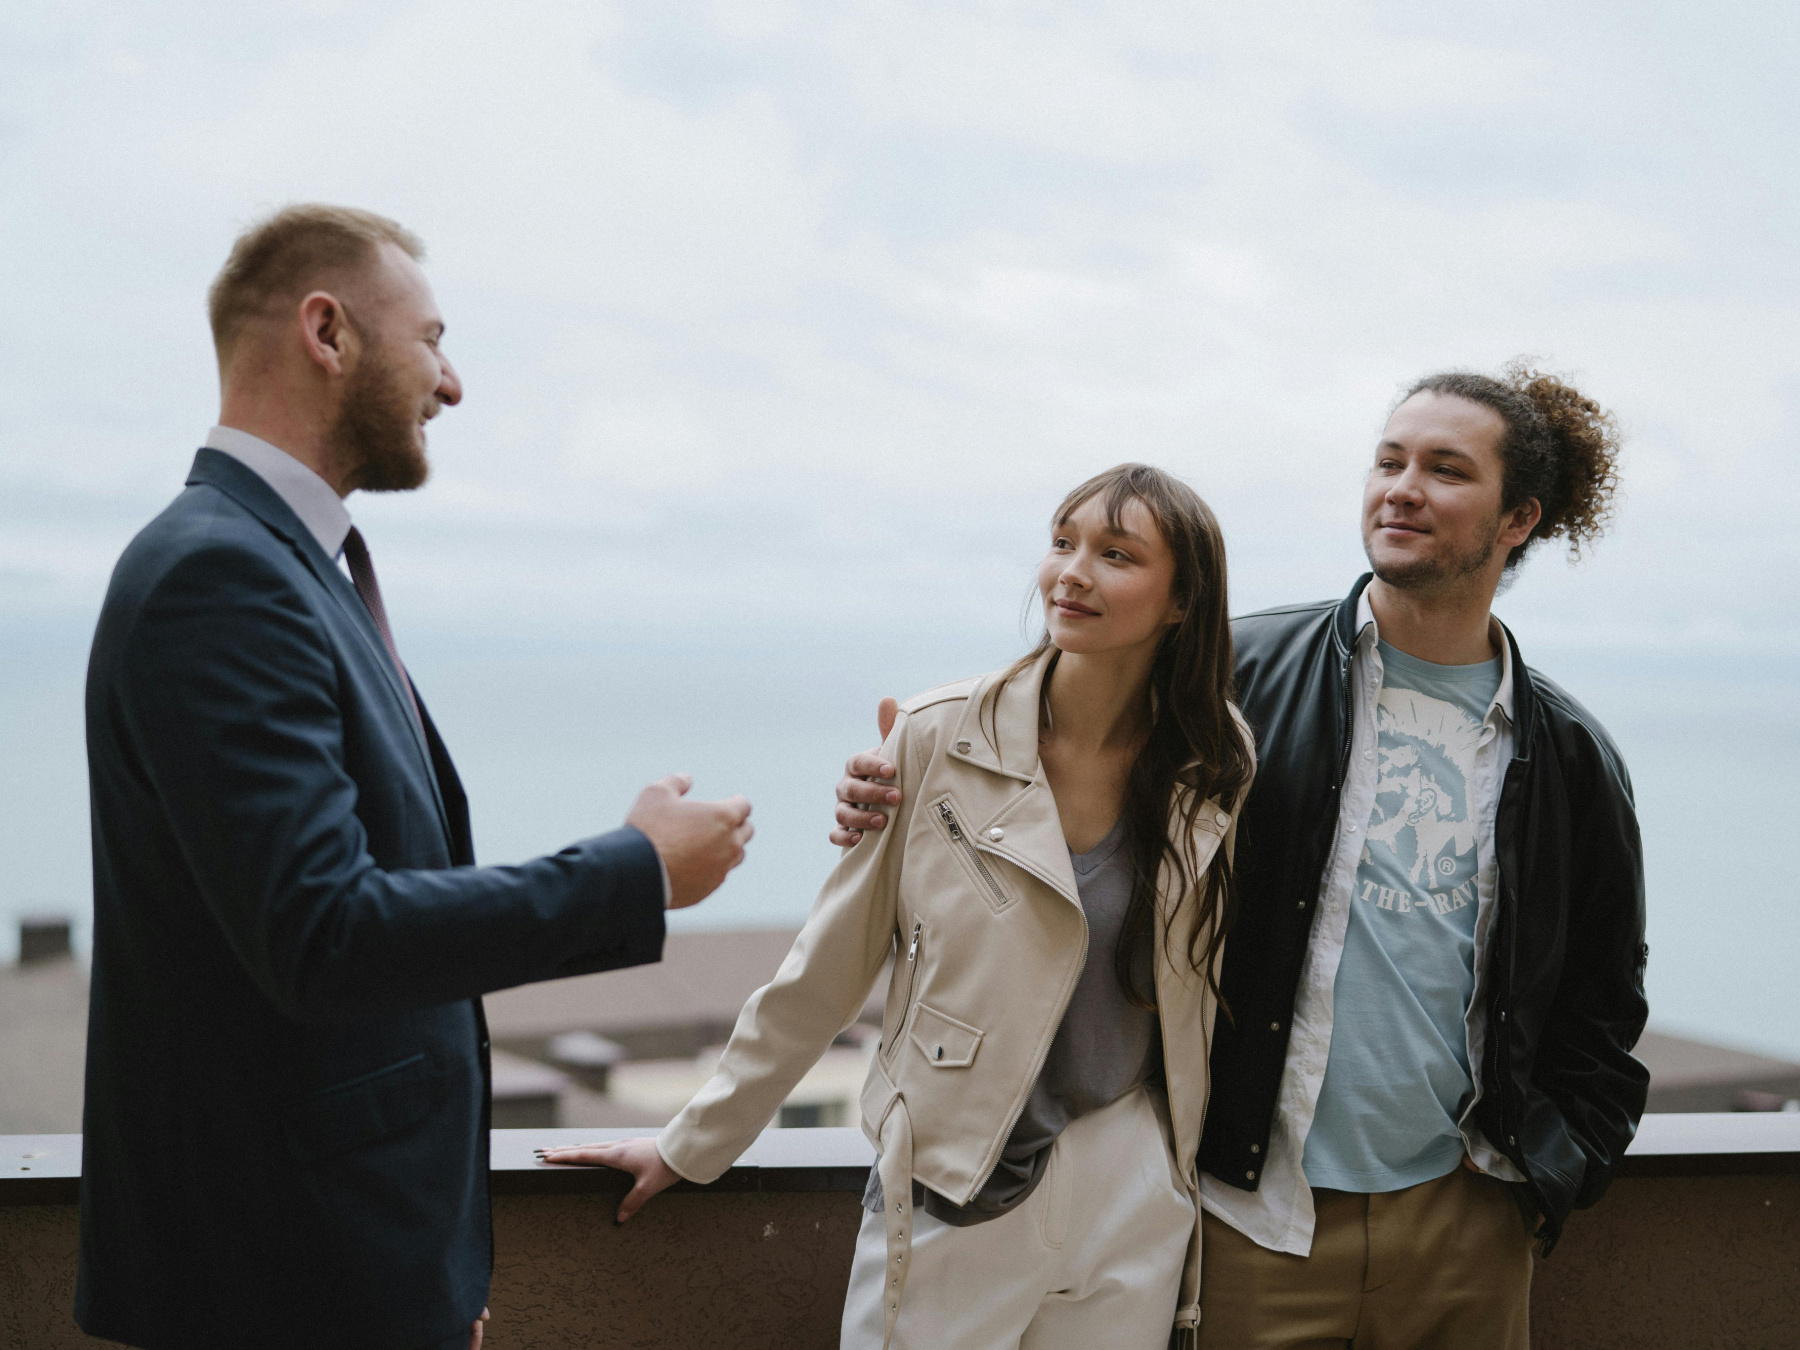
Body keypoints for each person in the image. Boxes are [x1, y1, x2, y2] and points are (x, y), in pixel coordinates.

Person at [833, 366, 1648, 1349]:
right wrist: (902, 785)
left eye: (1444, 469)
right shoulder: (1240, 671)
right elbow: (1048, 768)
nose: (1401, 486)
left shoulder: (1569, 756)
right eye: (1388, 460)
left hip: (1465, 1226)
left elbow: (1604, 1000)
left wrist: (1552, 1166)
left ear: (1517, 518)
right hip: (1256, 1216)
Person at [77, 204, 755, 1350]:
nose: (452, 385)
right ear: (326, 331)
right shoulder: (220, 578)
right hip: (282, 1290)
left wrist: (428, 1272)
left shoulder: (282, 565)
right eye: (432, 339)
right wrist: (629, 873)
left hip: (347, 1274)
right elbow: (323, 933)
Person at [543, 465, 1257, 1348]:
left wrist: (1169, 1173)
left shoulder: (1215, 764)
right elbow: (828, 969)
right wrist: (695, 1141)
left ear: (1183, 599)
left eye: (1116, 554)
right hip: (960, 1177)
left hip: (1133, 1179)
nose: (1072, 572)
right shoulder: (935, 736)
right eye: (1063, 542)